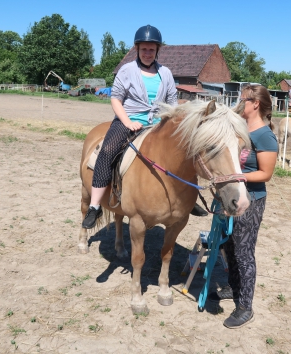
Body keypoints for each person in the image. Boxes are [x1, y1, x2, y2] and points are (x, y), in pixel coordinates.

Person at [82, 25, 206, 229]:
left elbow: (172, 103)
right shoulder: (127, 70)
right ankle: (95, 206)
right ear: (137, 49)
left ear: (157, 50)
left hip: (158, 124)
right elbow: (116, 99)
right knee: (107, 151)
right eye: (144, 49)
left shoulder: (165, 73)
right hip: (128, 121)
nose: (147, 53)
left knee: (185, 152)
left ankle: (189, 198)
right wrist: (128, 122)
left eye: (151, 49)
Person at [208, 84, 278, 329]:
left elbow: (266, 173)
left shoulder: (264, 136)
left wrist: (235, 178)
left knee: (244, 252)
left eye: (243, 99)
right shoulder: (239, 129)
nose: (239, 103)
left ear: (255, 104)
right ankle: (233, 287)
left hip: (252, 199)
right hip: (231, 196)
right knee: (228, 246)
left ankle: (245, 306)